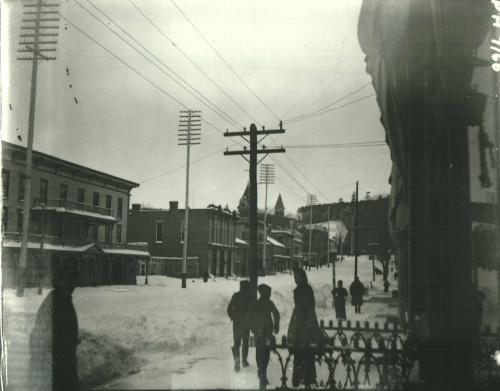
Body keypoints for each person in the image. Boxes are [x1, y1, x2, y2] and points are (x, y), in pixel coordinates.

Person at [27, 263, 80, 391]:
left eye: (74, 279)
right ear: (61, 280)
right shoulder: (57, 300)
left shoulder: (64, 298)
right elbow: (44, 333)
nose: (73, 284)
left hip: (63, 359)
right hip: (56, 362)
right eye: (69, 279)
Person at [287, 268, 325, 388]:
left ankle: (300, 378)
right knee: (307, 351)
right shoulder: (305, 288)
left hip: (303, 322)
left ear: (302, 277)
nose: (295, 278)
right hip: (305, 321)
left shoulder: (301, 290)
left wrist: (299, 322)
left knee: (301, 350)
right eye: (294, 276)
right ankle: (308, 378)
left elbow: (305, 306)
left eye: (296, 276)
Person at [248, 283, 280, 390]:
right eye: (268, 293)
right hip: (264, 333)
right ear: (264, 293)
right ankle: (262, 373)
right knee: (264, 353)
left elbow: (250, 318)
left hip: (261, 333)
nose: (270, 295)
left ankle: (262, 372)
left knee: (261, 352)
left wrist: (253, 329)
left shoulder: (259, 303)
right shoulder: (263, 303)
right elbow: (276, 314)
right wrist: (276, 326)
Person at [227, 280, 253, 372]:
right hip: (246, 323)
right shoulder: (250, 297)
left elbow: (229, 308)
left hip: (237, 323)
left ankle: (237, 363)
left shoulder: (236, 296)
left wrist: (233, 316)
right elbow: (253, 311)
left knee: (237, 343)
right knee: (245, 342)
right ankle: (244, 361)